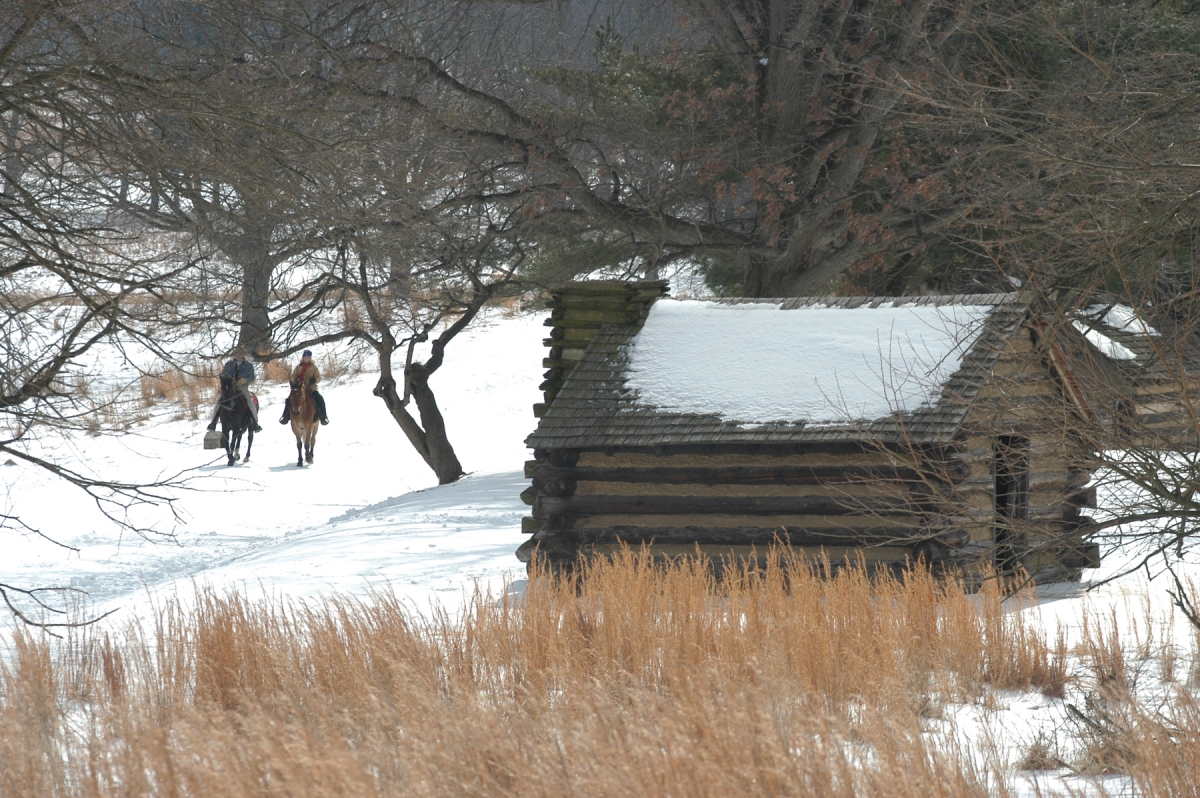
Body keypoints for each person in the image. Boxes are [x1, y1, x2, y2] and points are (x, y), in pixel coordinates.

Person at [207, 347, 262, 433]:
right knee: (219, 401)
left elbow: (252, 377)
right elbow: (223, 374)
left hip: (242, 387)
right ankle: (213, 422)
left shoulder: (248, 365)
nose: (239, 355)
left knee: (249, 401)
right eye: (237, 353)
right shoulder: (229, 364)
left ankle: (255, 423)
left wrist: (245, 380)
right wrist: (228, 380)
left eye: (241, 354)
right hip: (229, 387)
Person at [280, 349, 329, 425]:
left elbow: (319, 377)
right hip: (299, 388)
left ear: (310, 358)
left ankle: (323, 417)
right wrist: (296, 379)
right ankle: (285, 416)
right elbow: (293, 376)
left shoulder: (314, 367)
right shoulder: (298, 367)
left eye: (308, 357)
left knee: (320, 398)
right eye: (305, 357)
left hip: (311, 388)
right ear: (303, 358)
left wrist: (314, 380)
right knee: (289, 400)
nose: (306, 358)